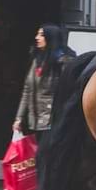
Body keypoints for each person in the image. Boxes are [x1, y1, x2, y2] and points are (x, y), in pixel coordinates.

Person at [13, 23, 76, 152]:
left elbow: (69, 88)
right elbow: (27, 90)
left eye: (41, 35)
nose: (37, 38)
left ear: (50, 37)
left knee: (47, 155)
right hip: (36, 119)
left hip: (53, 119)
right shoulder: (37, 59)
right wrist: (19, 118)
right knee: (39, 155)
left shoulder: (62, 60)